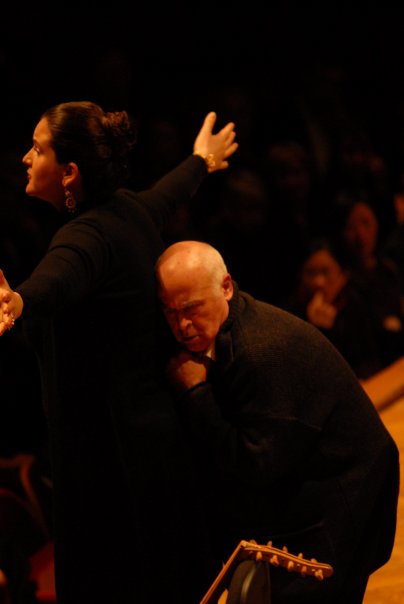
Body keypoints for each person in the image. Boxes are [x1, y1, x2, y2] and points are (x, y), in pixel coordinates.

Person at [0, 102, 238, 604]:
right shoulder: (127, 209)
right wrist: (201, 160)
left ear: (69, 172)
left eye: (37, 149)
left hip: (114, 466)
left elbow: (61, 276)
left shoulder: (83, 236)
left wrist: (19, 301)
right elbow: (168, 193)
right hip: (156, 442)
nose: (25, 157)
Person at [155, 240, 399, 604]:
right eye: (170, 312)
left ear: (226, 287)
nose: (181, 325)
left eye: (191, 308)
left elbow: (254, 464)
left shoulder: (260, 351)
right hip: (303, 485)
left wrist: (196, 393)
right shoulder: (226, 329)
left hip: (345, 493)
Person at [285, 236, 383, 379]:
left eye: (326, 272)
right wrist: (317, 331)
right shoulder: (291, 316)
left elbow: (370, 359)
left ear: (342, 276)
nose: (318, 282)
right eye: (310, 273)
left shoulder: (356, 303)